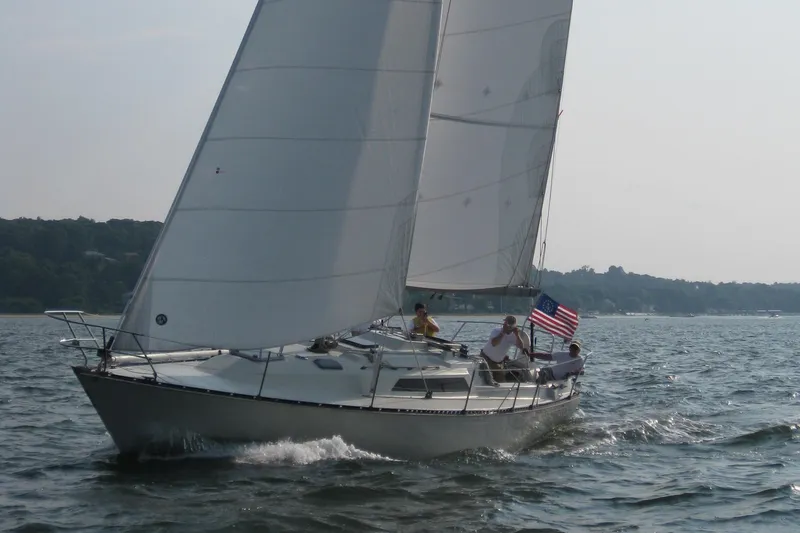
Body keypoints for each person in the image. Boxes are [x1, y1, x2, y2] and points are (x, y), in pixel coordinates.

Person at [479, 315, 531, 384]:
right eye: (504, 323)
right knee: (485, 381)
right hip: (486, 360)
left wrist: (517, 334)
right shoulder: (496, 331)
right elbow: (494, 343)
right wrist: (503, 332)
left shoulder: (513, 336)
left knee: (502, 383)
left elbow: (521, 346)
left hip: (498, 364)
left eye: (506, 324)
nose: (504, 325)